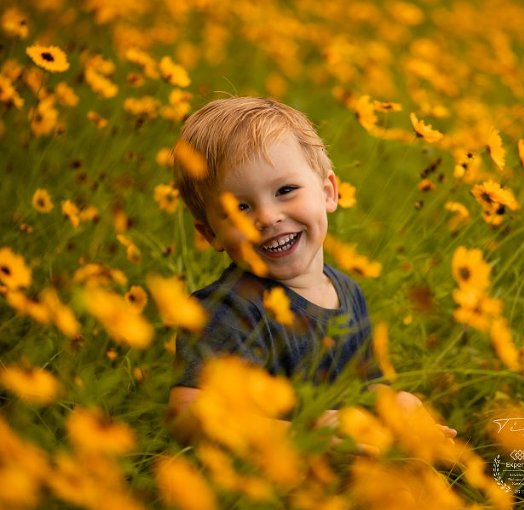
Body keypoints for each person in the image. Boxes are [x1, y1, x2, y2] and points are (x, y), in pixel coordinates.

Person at [166, 96, 456, 447]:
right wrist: (305, 436)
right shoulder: (227, 310)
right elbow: (186, 416)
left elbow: (364, 385)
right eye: (240, 207)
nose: (268, 218)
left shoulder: (347, 292)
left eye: (285, 190)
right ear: (211, 233)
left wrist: (399, 410)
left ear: (328, 192)